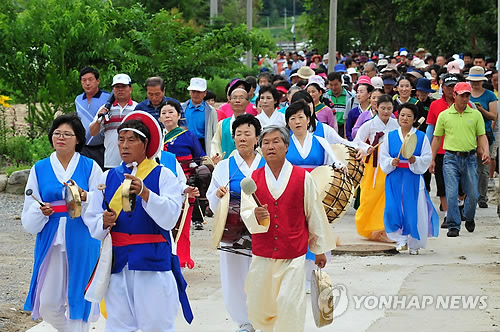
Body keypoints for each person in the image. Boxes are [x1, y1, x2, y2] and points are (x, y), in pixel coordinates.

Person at [84, 112, 193, 331]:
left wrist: (146, 194)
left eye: (131, 140)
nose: (124, 145)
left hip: (152, 261)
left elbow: (171, 217)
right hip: (119, 263)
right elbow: (92, 217)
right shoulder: (107, 178)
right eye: (121, 139)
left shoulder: (163, 175)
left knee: (157, 323)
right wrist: (103, 222)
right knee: (118, 325)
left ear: (145, 143)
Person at [240, 125, 335, 332]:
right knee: (260, 306)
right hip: (263, 253)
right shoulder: (252, 179)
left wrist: (319, 249)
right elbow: (246, 212)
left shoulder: (302, 177)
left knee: (288, 303)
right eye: (266, 143)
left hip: (293, 252)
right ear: (260, 147)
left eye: (276, 142)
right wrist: (254, 215)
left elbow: (314, 215)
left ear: (286, 146)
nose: (270, 146)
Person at [22, 114, 102, 332]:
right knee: (48, 302)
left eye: (67, 134)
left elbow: (102, 200)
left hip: (83, 234)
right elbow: (30, 201)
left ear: (78, 139)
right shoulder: (39, 168)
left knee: (80, 296)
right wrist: (40, 210)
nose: (61, 137)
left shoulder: (90, 166)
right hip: (51, 236)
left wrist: (86, 198)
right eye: (57, 133)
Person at [206, 114, 265, 332]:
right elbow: (212, 198)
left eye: (247, 133)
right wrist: (219, 194)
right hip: (232, 230)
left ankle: (263, 317)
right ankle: (244, 321)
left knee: (262, 271)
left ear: (256, 138)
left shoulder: (266, 165)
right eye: (238, 134)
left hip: (261, 229)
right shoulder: (224, 166)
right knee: (234, 275)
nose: (242, 138)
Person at [429, 82, 489, 237]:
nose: (465, 98)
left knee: (473, 194)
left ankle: (469, 216)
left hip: (469, 158)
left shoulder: (475, 114)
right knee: (451, 193)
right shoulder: (444, 115)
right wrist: (432, 158)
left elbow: (481, 135)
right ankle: (453, 225)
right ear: (454, 95)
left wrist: (485, 151)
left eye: (467, 95)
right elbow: (436, 138)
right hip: (450, 158)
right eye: (462, 95)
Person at [380, 103, 439, 255]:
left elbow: (426, 157)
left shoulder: (421, 136)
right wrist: (390, 162)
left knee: (413, 210)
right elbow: (384, 156)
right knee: (393, 209)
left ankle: (414, 243)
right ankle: (401, 239)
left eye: (409, 116)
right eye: (402, 115)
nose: (405, 118)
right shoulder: (390, 136)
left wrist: (415, 160)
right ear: (398, 116)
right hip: (394, 176)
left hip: (412, 177)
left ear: (414, 119)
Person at [159, 100, 205, 265]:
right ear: (159, 118)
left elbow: (200, 158)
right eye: (163, 113)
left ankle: (182, 258)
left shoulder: (188, 136)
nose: (167, 115)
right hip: (160, 185)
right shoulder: (156, 137)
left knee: (182, 225)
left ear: (179, 115)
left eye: (171, 112)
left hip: (184, 183)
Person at [354, 94, 400, 241]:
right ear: (376, 107)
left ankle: (384, 229)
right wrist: (367, 147)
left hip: (390, 165)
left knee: (388, 198)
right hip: (373, 166)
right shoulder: (369, 124)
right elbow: (357, 141)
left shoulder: (395, 125)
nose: (385, 111)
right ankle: (368, 226)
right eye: (383, 108)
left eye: (389, 108)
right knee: (369, 197)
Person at [89, 73, 137, 169]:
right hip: (111, 161)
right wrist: (99, 119)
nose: (120, 89)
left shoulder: (136, 108)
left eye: (123, 86)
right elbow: (92, 132)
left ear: (130, 89)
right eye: (117, 87)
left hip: (133, 162)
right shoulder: (105, 109)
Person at [467, 66, 498, 208]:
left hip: (485, 133)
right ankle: (470, 194)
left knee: (483, 168)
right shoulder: (466, 94)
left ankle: (483, 197)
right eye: (473, 81)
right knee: (469, 166)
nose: (475, 83)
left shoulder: (490, 95)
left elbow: (493, 116)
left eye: (478, 81)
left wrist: (480, 110)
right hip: (468, 134)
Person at [75, 66, 111, 169]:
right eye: (84, 80)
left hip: (102, 146)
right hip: (83, 147)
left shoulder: (107, 98)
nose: (87, 83)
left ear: (97, 81)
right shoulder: (78, 99)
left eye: (90, 79)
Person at [181, 77, 218, 156]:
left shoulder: (211, 111)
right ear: (189, 92)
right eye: (193, 91)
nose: (195, 94)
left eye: (199, 92)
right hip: (185, 143)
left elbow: (215, 132)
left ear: (205, 93)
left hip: (203, 144)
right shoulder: (182, 108)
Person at [212, 88, 251, 160]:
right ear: (229, 101)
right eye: (234, 98)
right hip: (226, 167)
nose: (237, 101)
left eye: (241, 98)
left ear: (248, 102)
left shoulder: (254, 123)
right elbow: (216, 145)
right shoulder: (222, 124)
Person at [327, 72, 359, 137]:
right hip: (329, 129)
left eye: (336, 85)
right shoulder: (325, 96)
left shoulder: (351, 96)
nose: (333, 87)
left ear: (341, 82)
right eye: (331, 85)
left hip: (343, 129)